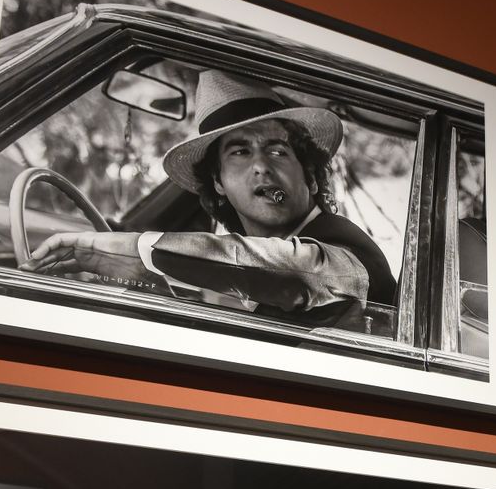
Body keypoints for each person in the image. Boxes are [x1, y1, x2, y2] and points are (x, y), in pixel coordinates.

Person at [22, 71, 397, 326]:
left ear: (312, 178)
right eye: (240, 152)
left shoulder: (348, 251)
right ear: (218, 183)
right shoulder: (259, 260)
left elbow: (290, 270)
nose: (261, 167)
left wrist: (122, 250)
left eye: (278, 151)